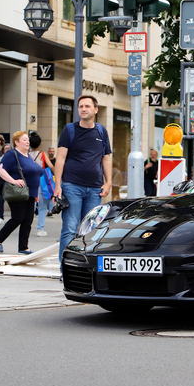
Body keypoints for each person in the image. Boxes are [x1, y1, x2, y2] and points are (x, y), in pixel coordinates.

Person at [53, 95, 112, 265]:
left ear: (95, 109)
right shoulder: (69, 130)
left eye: (87, 106)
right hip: (72, 186)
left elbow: (106, 158)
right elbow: (61, 159)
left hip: (95, 189)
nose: (83, 109)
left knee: (91, 230)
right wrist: (58, 186)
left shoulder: (101, 131)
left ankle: (85, 266)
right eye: (80, 106)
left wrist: (108, 182)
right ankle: (66, 268)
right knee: (70, 229)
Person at [0, 131, 43, 254]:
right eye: (24, 140)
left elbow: (32, 174)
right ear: (16, 142)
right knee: (17, 218)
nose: (27, 142)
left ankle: (23, 247)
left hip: (30, 193)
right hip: (18, 192)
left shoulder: (27, 155)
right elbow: (0, 170)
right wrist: (14, 181)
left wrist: (35, 194)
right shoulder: (12, 154)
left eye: (28, 140)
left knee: (28, 220)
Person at [28, 132, 55, 237]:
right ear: (39, 144)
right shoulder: (42, 154)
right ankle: (40, 229)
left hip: (30, 182)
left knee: (30, 206)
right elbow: (51, 166)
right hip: (42, 182)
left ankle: (27, 227)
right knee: (42, 207)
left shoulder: (27, 155)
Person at [0, 143, 12, 224]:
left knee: (11, 200)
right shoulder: (0, 159)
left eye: (9, 148)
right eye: (6, 148)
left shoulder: (14, 159)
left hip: (10, 182)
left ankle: (14, 216)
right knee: (0, 199)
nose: (7, 149)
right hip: (0, 182)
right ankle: (0, 216)